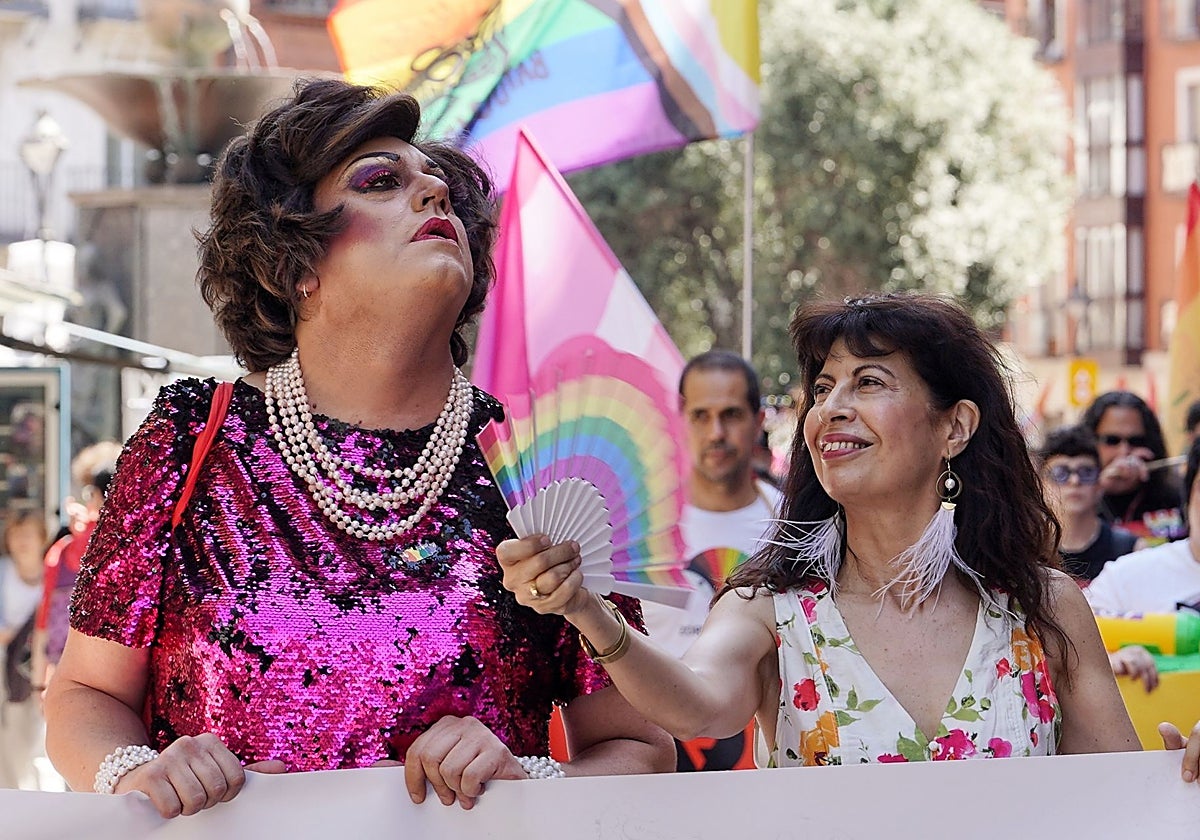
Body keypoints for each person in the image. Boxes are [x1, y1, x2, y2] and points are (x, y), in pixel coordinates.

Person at [43, 78, 673, 820]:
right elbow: (84, 695)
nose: (434, 194)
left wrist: (527, 782)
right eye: (381, 181)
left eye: (441, 188)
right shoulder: (190, 443)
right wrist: (137, 773)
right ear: (292, 264)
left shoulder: (537, 468)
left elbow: (641, 747)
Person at [498, 293, 1200, 779]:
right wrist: (587, 611)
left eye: (868, 382)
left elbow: (1117, 799)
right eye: (823, 387)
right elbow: (696, 704)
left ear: (954, 427)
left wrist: (1175, 778)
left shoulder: (1043, 609)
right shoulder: (770, 607)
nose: (832, 407)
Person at [642, 350, 782, 771]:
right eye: (701, 416)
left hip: (762, 755)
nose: (716, 433)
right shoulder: (638, 525)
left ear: (758, 421)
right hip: (658, 750)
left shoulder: (792, 525)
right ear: (682, 420)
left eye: (731, 415)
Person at [31, 441, 121, 698]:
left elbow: (44, 620)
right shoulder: (140, 545)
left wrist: (39, 683)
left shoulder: (64, 549)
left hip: (68, 674)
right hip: (120, 676)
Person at [1037, 425, 1138, 583]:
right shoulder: (1027, 550)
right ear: (1042, 484)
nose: (1074, 481)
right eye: (1060, 473)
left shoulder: (1131, 550)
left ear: (1100, 483)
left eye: (1086, 473)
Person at [1080, 391, 1184, 543]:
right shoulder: (1072, 494)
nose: (1124, 452)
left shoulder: (1176, 497)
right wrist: (1098, 490)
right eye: (1112, 440)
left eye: (1136, 441)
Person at [0, 510, 46, 789]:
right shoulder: (3, 571)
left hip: (43, 668)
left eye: (28, 534)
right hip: (7, 670)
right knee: (10, 736)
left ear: (42, 538)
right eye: (15, 535)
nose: (21, 542)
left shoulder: (55, 571)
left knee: (39, 740)